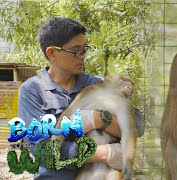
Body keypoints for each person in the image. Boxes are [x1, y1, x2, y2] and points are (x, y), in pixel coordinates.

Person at [18, 17, 144, 180]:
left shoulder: (97, 83)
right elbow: (42, 151)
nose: (82, 56)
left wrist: (101, 120)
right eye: (75, 50)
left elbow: (138, 126)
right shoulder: (32, 90)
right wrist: (106, 152)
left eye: (85, 49)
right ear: (52, 53)